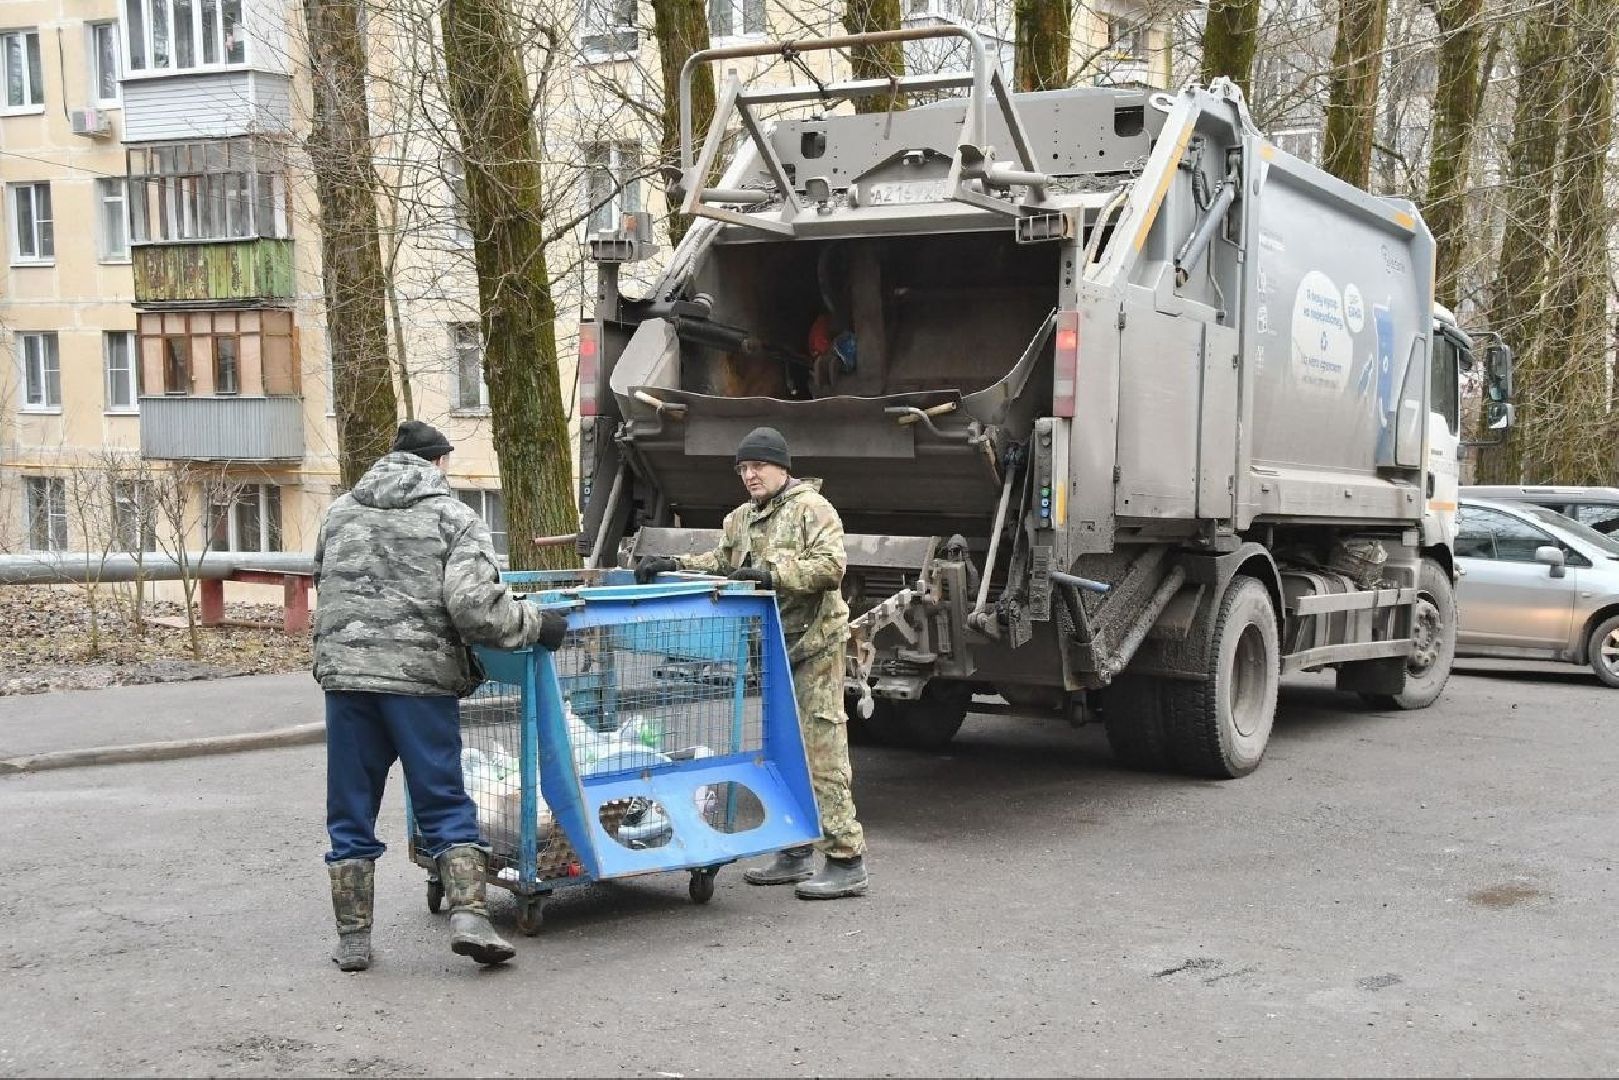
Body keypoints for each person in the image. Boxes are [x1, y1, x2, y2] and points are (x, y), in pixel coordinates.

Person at [315, 419, 567, 971]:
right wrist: (535, 622)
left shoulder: (339, 512)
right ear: (438, 463)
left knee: (351, 803)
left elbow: (323, 583)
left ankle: (353, 938)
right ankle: (471, 918)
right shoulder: (453, 517)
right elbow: (474, 608)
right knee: (442, 797)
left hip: (347, 678)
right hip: (420, 681)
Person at [635, 426, 867, 899]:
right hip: (772, 647)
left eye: (758, 466)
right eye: (743, 468)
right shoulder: (741, 519)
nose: (749, 475)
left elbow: (831, 566)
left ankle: (847, 859)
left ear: (782, 467)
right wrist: (674, 565)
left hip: (815, 645)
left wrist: (772, 574)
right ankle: (796, 851)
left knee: (821, 750)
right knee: (781, 750)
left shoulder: (812, 508)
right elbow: (721, 561)